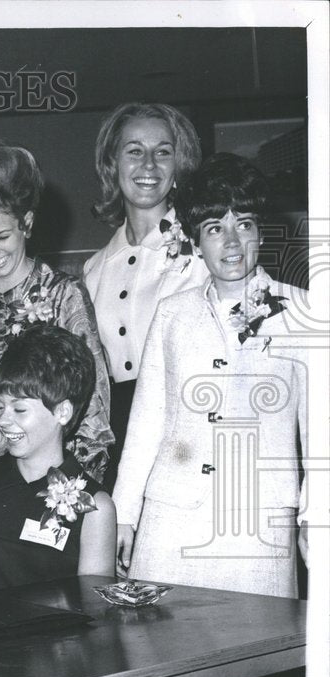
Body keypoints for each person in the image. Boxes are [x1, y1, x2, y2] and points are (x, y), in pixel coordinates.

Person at [113, 153, 308, 598]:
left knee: (257, 651)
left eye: (244, 224)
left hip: (258, 520)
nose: (232, 243)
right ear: (196, 242)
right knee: (158, 643)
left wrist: (316, 516)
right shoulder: (172, 314)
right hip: (170, 516)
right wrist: (125, 512)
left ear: (261, 231)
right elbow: (146, 423)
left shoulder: (303, 311)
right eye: (215, 229)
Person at [0, 137, 112, 485]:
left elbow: (92, 402)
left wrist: (76, 485)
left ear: (27, 224)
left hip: (54, 481)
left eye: (2, 236)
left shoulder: (64, 294)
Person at [0, 327, 115, 592]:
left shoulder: (95, 507)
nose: (2, 420)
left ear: (62, 412)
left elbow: (94, 604)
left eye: (20, 409)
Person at [83, 103, 210, 490]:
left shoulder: (205, 250)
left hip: (187, 430)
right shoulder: (93, 269)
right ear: (112, 164)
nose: (149, 165)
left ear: (179, 165)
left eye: (164, 151)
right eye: (134, 150)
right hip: (117, 438)